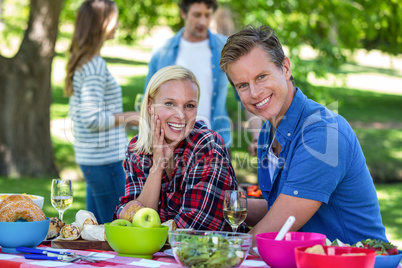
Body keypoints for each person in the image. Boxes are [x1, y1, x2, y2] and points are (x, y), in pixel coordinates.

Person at [219, 25, 388, 245]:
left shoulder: (323, 133)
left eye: (261, 76)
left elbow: (280, 223)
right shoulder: (266, 134)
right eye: (242, 85)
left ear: (285, 68)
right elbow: (279, 208)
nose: (254, 93)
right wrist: (217, 202)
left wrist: (223, 251)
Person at [114, 65, 244, 231]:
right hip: (155, 255)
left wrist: (143, 226)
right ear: (150, 106)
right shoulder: (137, 147)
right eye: (170, 103)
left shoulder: (207, 146)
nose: (181, 115)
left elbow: (193, 229)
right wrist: (157, 166)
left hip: (210, 254)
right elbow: (132, 223)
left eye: (189, 106)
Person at [144, 0, 261, 152]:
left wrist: (257, 136)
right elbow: (149, 100)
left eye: (207, 15)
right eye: (197, 15)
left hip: (216, 144)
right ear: (183, 13)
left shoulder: (225, 48)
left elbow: (247, 94)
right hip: (170, 147)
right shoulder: (162, 51)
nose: (202, 21)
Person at [64, 0, 139, 224]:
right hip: (106, 161)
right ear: (102, 23)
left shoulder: (83, 62)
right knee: (115, 228)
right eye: (114, 19)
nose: (117, 25)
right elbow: (91, 118)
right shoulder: (94, 65)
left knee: (94, 230)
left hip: (93, 159)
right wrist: (131, 117)